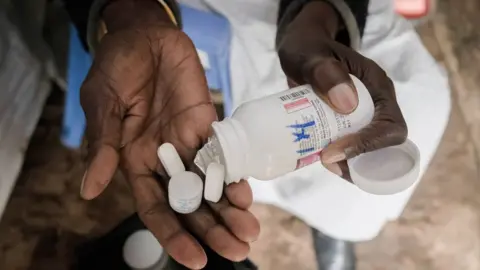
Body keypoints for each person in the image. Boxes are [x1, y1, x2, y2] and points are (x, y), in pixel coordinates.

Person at [64, 0, 451, 269]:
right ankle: (322, 214)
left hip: (315, 34)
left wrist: (318, 14)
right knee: (275, 160)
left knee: (404, 113)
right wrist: (131, 13)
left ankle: (332, 225)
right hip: (195, 12)